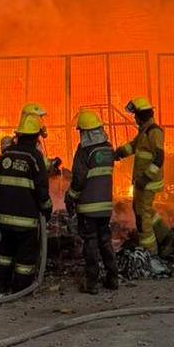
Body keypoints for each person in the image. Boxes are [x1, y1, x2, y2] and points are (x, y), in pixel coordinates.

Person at [0, 108, 53, 293]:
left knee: (5, 254)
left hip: (5, 220)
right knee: (25, 258)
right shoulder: (35, 157)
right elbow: (41, 190)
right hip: (26, 221)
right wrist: (47, 210)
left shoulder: (6, 155)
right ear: (35, 137)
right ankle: (20, 290)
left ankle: (1, 286)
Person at [65, 109, 118, 294]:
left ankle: (92, 283)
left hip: (88, 207)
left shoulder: (84, 151)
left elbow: (79, 178)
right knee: (105, 241)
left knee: (91, 242)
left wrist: (70, 197)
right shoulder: (108, 149)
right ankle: (113, 278)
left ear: (85, 132)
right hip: (106, 206)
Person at [114, 96, 174, 256]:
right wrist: (119, 152)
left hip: (148, 182)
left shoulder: (154, 131)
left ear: (141, 115)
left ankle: (150, 251)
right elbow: (134, 146)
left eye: (136, 115)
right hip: (142, 181)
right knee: (143, 209)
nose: (134, 118)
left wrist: (146, 178)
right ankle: (166, 236)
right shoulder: (145, 131)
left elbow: (159, 157)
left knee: (142, 216)